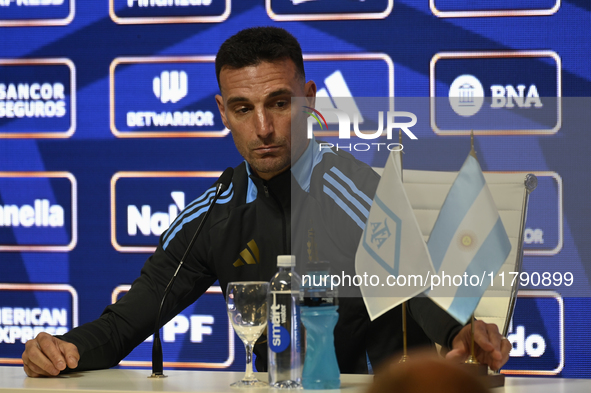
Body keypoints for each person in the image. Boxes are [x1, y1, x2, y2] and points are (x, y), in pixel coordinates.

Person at [22, 26, 511, 378]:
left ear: (310, 100)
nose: (263, 129)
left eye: (279, 103)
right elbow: (130, 320)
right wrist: (64, 349)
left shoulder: (360, 189)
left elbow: (415, 286)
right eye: (243, 108)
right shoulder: (212, 215)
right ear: (223, 113)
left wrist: (457, 334)